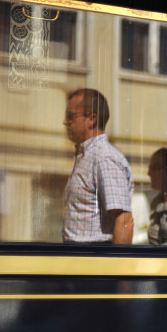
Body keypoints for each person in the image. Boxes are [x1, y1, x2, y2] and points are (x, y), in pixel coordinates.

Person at [62, 88, 134, 244]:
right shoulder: (86, 156)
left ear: (92, 119)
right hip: (79, 260)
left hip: (93, 259)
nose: (65, 121)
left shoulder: (104, 158)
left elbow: (124, 222)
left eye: (71, 116)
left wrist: (117, 267)